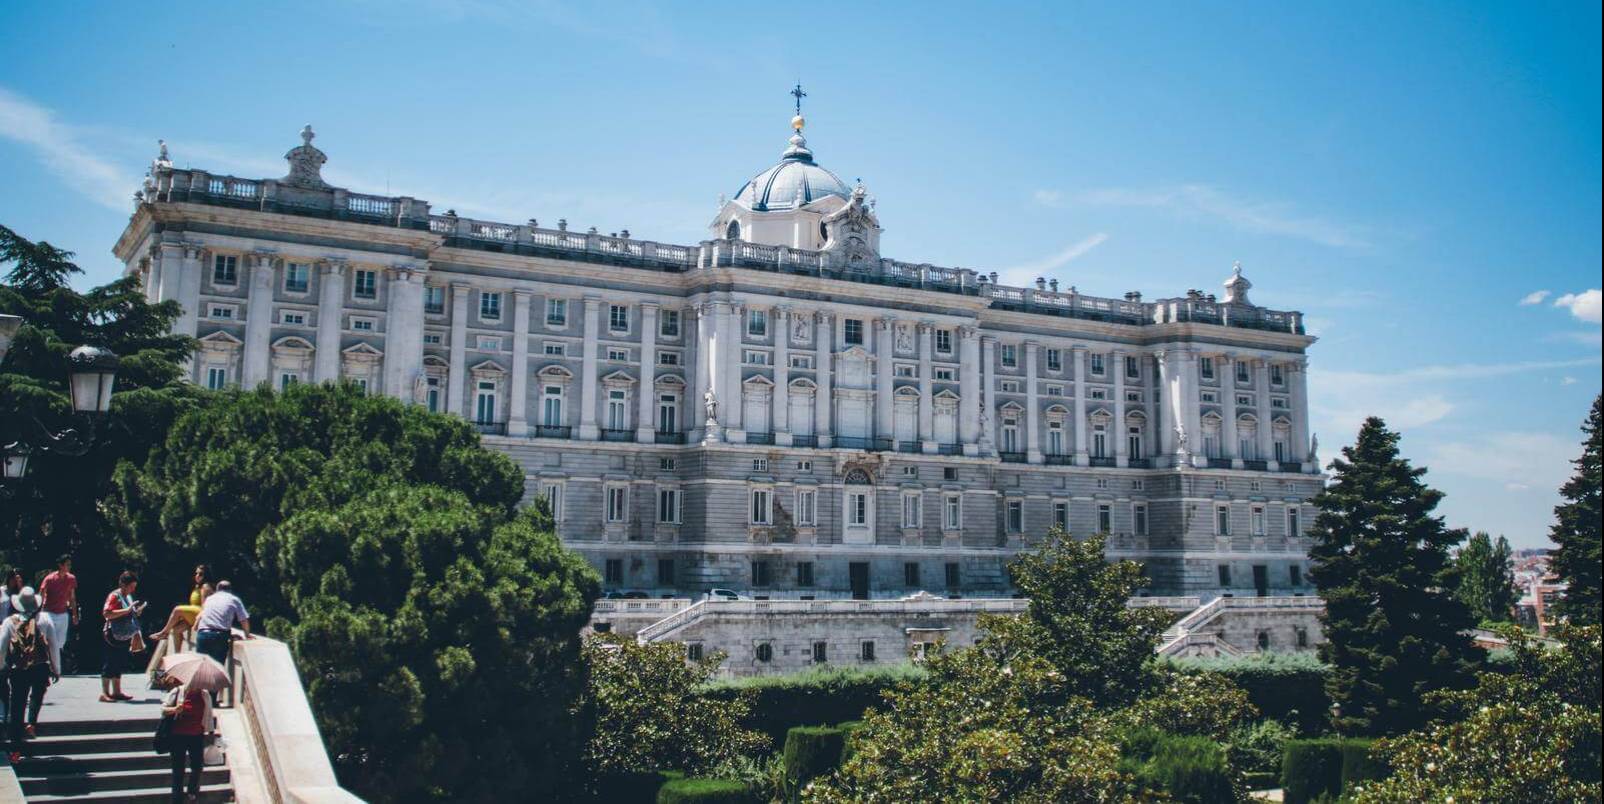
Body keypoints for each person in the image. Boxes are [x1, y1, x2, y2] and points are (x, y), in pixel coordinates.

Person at [2, 586, 62, 763]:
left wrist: (2, 666)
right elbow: (53, 646)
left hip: (18, 668)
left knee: (17, 702)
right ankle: (31, 723)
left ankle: (15, 751)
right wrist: (56, 669)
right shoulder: (44, 620)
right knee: (37, 694)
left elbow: (1, 647)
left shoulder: (9, 622)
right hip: (40, 666)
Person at [160, 674, 211, 804]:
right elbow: (163, 709)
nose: (196, 685)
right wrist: (175, 709)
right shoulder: (177, 691)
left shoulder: (205, 695)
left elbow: (209, 715)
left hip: (197, 736)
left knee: (197, 766)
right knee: (178, 770)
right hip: (178, 736)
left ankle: (192, 792)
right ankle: (177, 799)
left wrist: (211, 732)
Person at [101, 571, 146, 703]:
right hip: (113, 634)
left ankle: (116, 691)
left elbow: (129, 613)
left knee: (119, 661)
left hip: (124, 634)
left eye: (134, 587)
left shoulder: (128, 597)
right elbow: (107, 614)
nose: (133, 589)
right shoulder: (114, 596)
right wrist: (126, 611)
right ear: (122, 584)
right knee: (110, 661)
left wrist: (136, 611)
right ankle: (104, 693)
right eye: (131, 586)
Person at [150, 565, 215, 648]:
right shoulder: (197, 586)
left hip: (201, 615)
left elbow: (205, 607)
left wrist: (197, 620)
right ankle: (177, 655)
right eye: (196, 573)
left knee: (177, 609)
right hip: (194, 613)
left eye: (201, 574)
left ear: (206, 576)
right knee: (176, 630)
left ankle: (164, 632)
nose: (197, 576)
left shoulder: (206, 587)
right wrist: (185, 615)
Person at [193, 580, 251, 668]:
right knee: (217, 669)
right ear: (230, 590)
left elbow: (200, 616)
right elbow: (243, 619)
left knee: (201, 668)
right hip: (219, 637)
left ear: (217, 589)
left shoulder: (209, 599)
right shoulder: (234, 599)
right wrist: (247, 634)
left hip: (203, 635)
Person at [38, 555, 78, 672]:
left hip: (62, 613)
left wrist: (75, 614)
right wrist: (38, 612)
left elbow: (72, 597)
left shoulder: (71, 578)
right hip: (49, 612)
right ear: (60, 565)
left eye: (70, 564)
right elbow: (41, 594)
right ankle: (49, 663)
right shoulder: (50, 578)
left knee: (60, 642)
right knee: (49, 639)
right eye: (67, 564)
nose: (69, 567)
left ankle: (52, 661)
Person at [0, 569, 22, 730]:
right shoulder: (2, 591)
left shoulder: (19, 594)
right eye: (14, 579)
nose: (15, 582)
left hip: (14, 633)